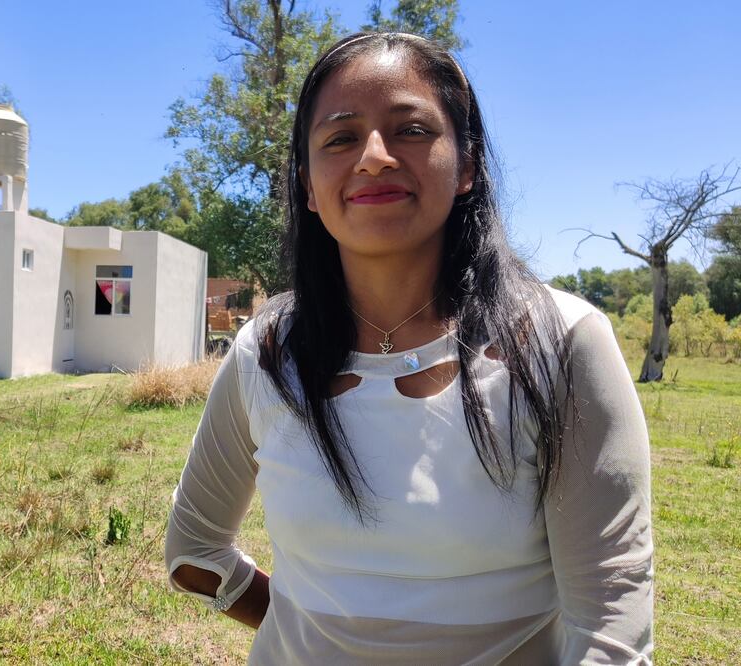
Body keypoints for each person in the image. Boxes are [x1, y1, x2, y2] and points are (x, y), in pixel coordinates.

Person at [164, 32, 652, 664]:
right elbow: (193, 552)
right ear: (308, 186)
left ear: (468, 165)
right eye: (340, 138)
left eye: (412, 130)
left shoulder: (560, 342)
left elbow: (611, 631)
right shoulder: (265, 349)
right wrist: (294, 621)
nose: (373, 157)